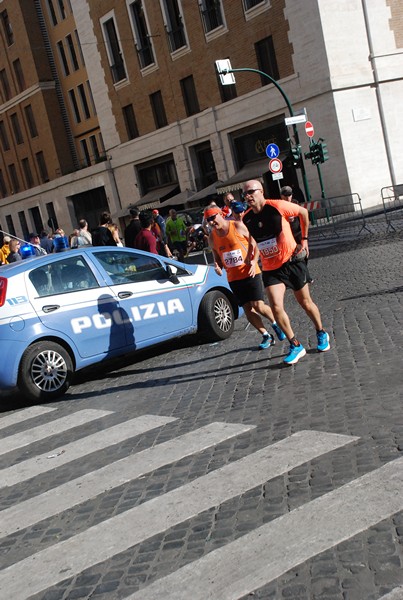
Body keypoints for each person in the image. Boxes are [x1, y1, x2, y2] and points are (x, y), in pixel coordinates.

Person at [242, 179, 330, 365]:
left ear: (261, 191)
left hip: (291, 263)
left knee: (305, 302)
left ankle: (321, 332)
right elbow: (253, 240)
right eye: (245, 194)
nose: (247, 196)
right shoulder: (246, 218)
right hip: (271, 268)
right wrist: (252, 257)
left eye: (250, 192)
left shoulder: (277, 206)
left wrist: (304, 240)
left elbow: (303, 213)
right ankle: (295, 344)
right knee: (276, 306)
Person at [205, 205, 285, 349]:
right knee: (248, 309)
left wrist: (254, 261)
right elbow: (217, 256)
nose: (211, 222)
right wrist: (217, 266)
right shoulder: (212, 237)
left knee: (258, 305)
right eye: (208, 220)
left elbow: (254, 242)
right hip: (233, 278)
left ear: (220, 214)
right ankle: (266, 335)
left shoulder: (236, 226)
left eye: (212, 217)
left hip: (250, 272)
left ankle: (276, 324)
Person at [280, 186, 313, 283]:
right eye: (285, 195)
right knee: (292, 257)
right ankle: (299, 277)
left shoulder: (295, 203)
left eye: (289, 195)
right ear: (281, 196)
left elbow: (302, 215)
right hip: (288, 234)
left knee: (305, 254)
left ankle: (305, 274)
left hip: (298, 231)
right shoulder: (280, 205)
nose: (287, 197)